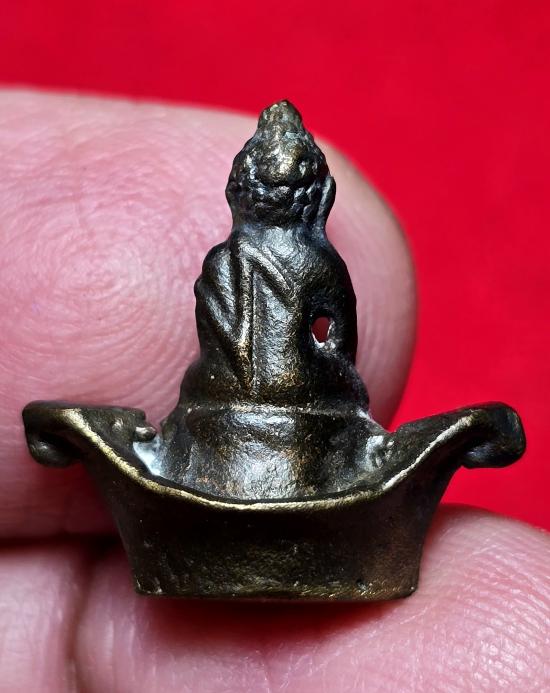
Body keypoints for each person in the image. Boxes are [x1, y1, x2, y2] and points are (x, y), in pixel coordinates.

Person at [0, 91, 547, 691]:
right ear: (319, 197)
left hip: (213, 432)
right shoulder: (319, 264)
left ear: (240, 195)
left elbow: (222, 345)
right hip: (305, 441)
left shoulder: (224, 260)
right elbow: (339, 350)